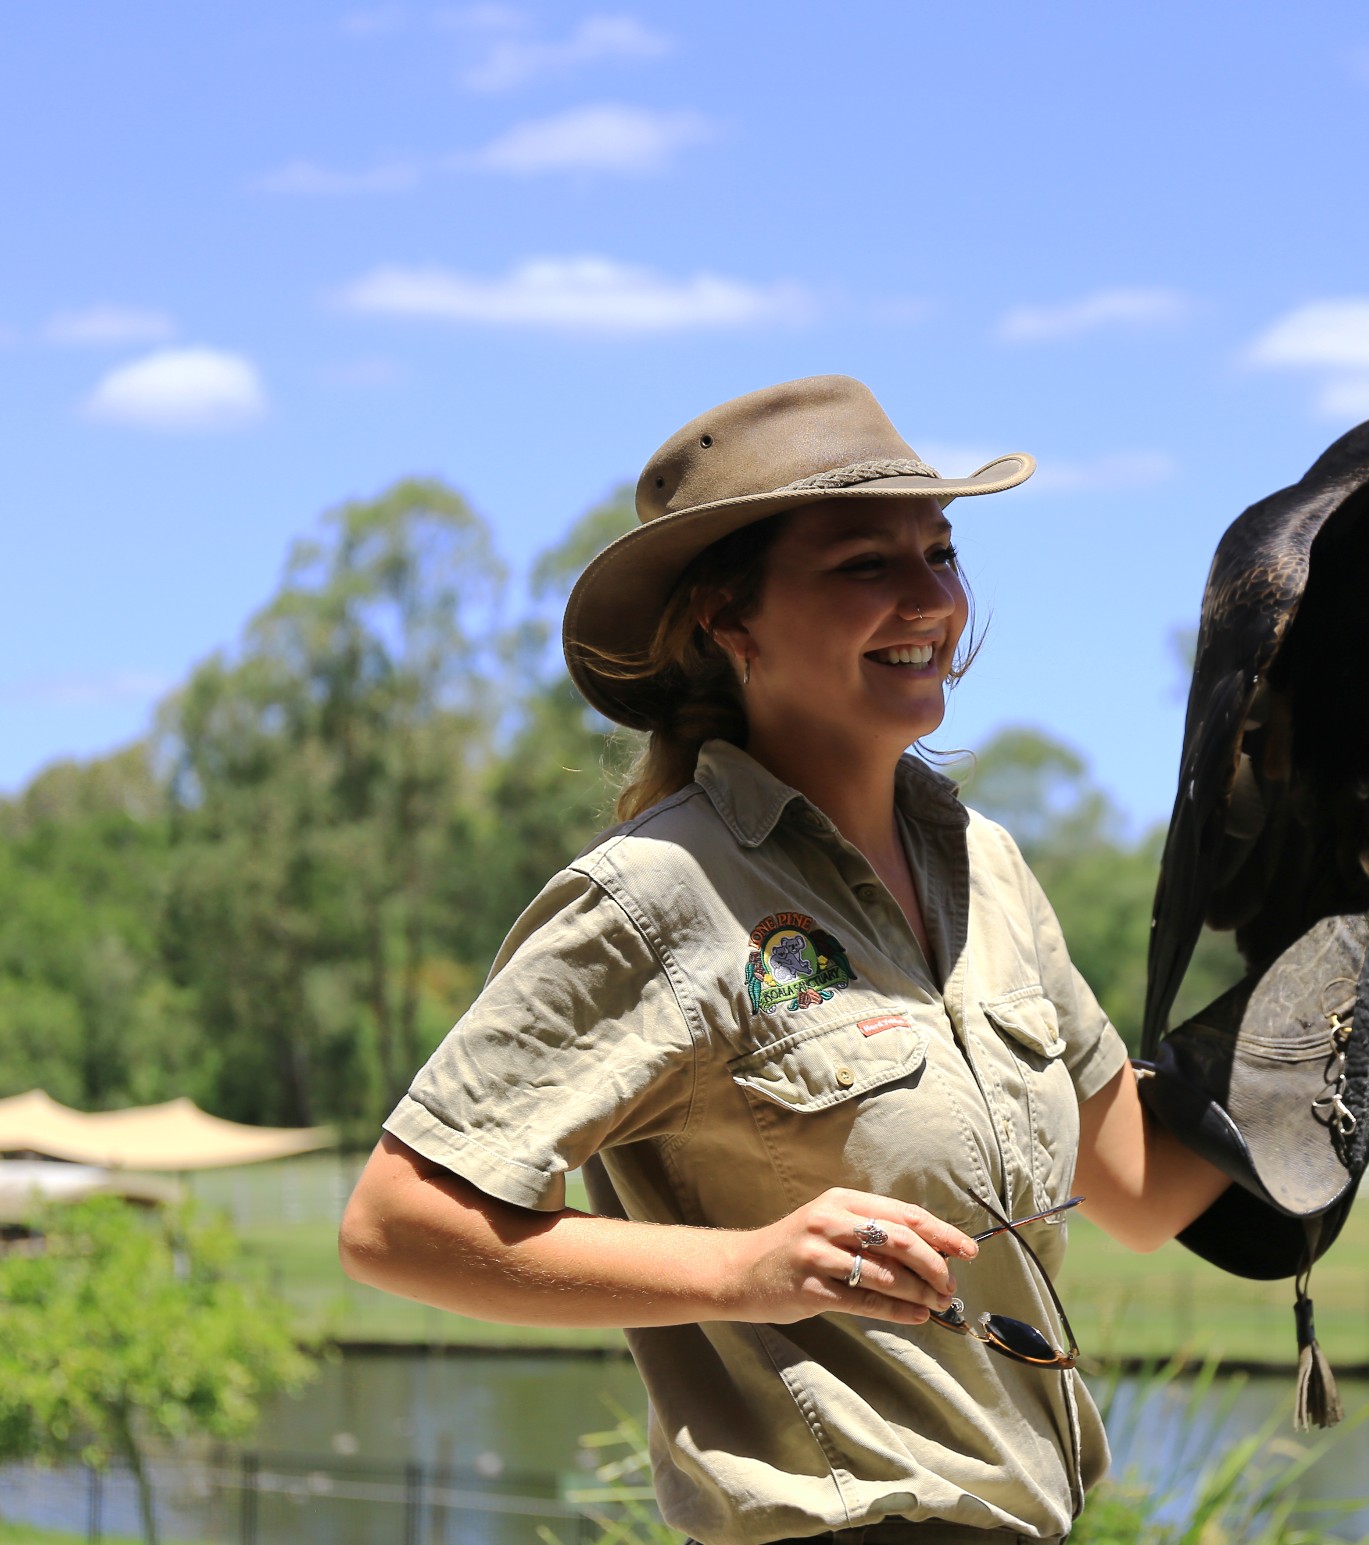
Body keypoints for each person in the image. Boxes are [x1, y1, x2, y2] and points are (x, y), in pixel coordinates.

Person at [338, 375, 1233, 1545]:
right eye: (867, 564)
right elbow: (397, 1225)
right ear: (728, 620)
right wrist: (744, 1270)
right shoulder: (661, 895)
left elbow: (1142, 1189)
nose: (931, 599)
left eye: (941, 551)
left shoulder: (989, 866)